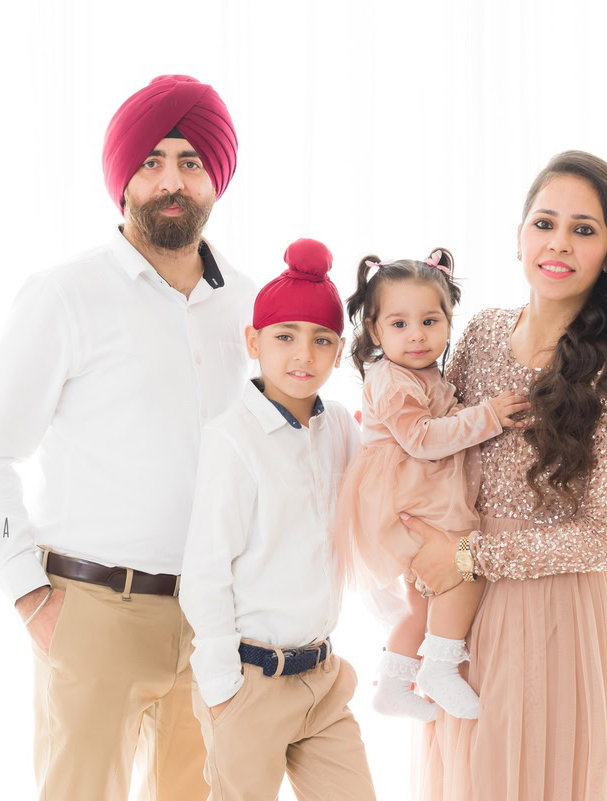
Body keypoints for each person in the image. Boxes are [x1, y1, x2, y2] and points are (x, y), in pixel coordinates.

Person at [0, 74, 253, 801]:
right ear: (123, 181)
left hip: (217, 622)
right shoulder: (66, 294)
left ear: (216, 177)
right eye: (151, 162)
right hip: (94, 611)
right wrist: (31, 597)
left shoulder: (247, 305)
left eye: (189, 161)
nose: (171, 181)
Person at [406, 151, 607, 800]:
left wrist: (469, 554)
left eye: (584, 229)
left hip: (559, 612)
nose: (558, 242)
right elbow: (437, 449)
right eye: (544, 222)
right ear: (519, 235)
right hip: (463, 605)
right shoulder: (483, 333)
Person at [179, 238, 377, 801]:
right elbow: (206, 570)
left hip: (322, 677)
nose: (303, 355)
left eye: (321, 341)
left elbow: (372, 516)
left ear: (339, 353)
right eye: (285, 337)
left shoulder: (339, 425)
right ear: (254, 342)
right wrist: (222, 689)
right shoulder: (231, 440)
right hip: (250, 682)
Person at [331, 248, 530, 721]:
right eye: (399, 324)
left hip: (418, 500)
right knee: (464, 570)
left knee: (422, 602)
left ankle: (395, 683)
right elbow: (420, 439)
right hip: (401, 505)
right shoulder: (391, 379)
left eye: (430, 321)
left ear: (447, 322)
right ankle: (440, 667)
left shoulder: (423, 374)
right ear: (375, 331)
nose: (417, 335)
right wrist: (486, 418)